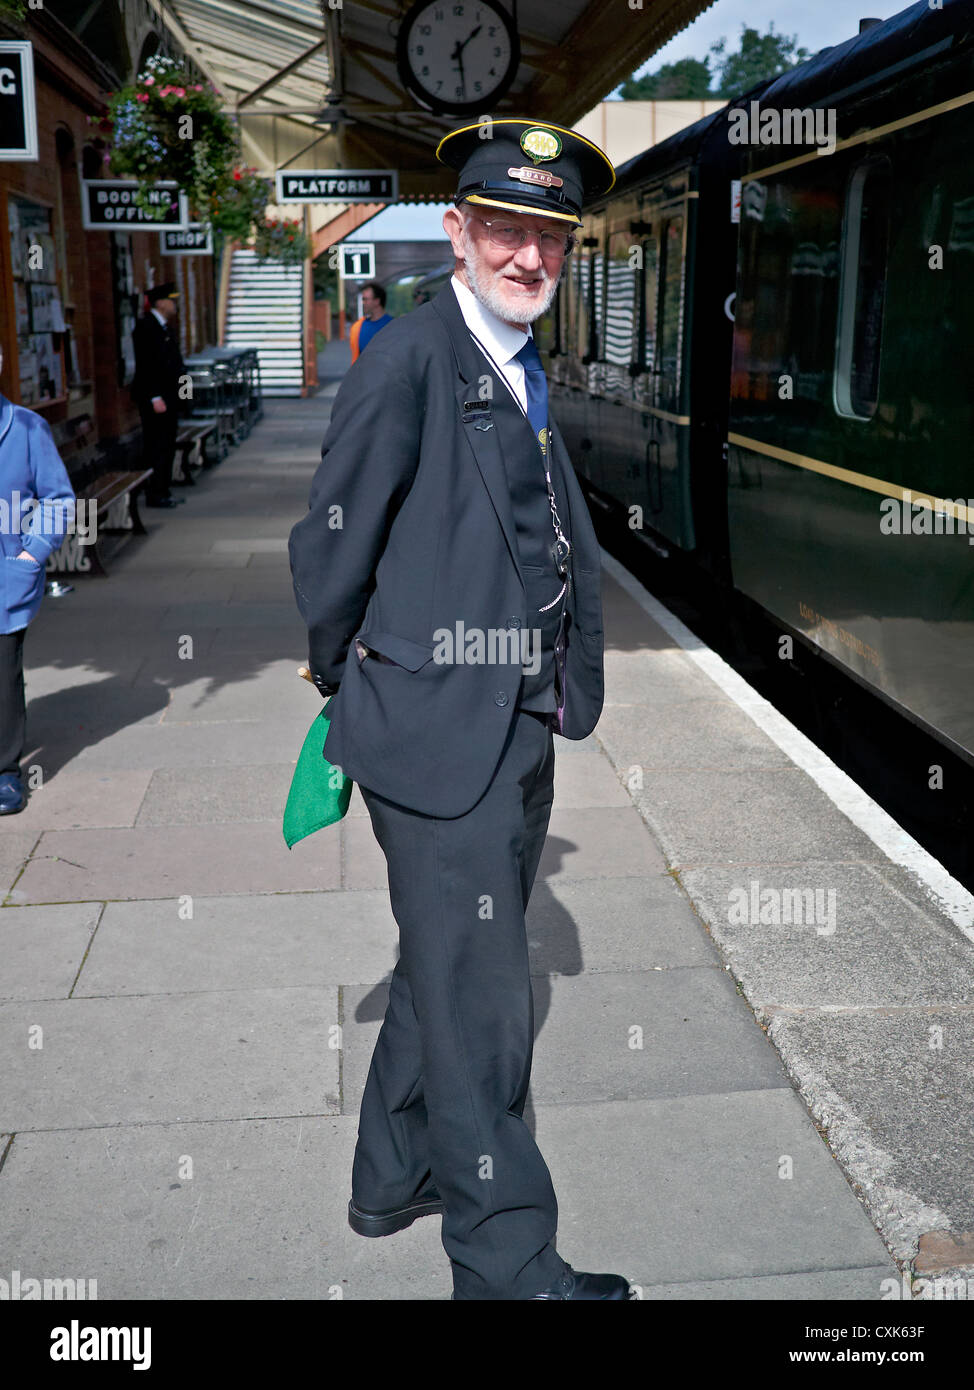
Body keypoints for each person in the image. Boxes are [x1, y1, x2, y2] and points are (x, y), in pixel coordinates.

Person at [289, 119, 631, 1301]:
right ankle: (506, 1264)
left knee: (442, 968)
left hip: (516, 725)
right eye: (503, 229)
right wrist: (345, 674)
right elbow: (329, 540)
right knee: (486, 1012)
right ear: (457, 233)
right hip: (438, 733)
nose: (527, 255)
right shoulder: (409, 355)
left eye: (547, 234)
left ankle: (390, 1174)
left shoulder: (520, 359)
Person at [0, 346, 75, 814]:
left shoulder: (27, 428)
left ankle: (5, 770)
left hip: (5, 575)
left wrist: (30, 553)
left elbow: (57, 498)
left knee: (3, 674)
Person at [131, 282, 187, 509]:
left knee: (168, 444)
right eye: (172, 300)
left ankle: (164, 489)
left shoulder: (165, 328)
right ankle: (155, 492)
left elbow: (176, 364)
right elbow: (146, 366)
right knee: (157, 445)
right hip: (157, 400)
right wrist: (154, 397)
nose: (175, 304)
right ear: (161, 302)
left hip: (170, 397)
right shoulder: (146, 327)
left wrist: (185, 394)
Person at [348, 282, 392, 363]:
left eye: (365, 299)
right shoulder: (357, 327)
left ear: (377, 301)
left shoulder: (393, 325)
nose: (363, 303)